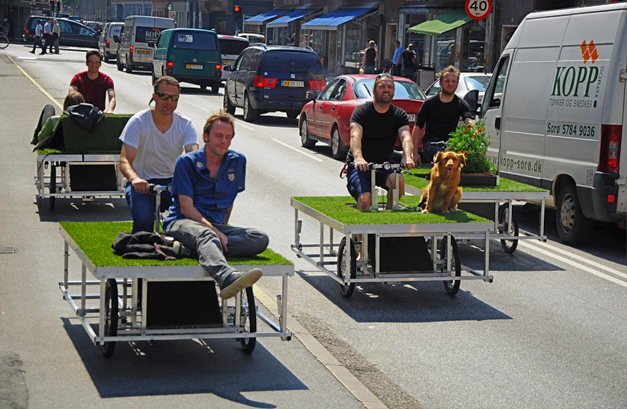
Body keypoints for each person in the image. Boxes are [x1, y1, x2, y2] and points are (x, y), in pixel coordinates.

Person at [163, 111, 269, 300]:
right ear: (206, 136)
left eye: (228, 137)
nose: (223, 141)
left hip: (214, 225)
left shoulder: (237, 161)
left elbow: (229, 201)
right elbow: (186, 208)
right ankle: (226, 277)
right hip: (181, 222)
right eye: (219, 136)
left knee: (259, 238)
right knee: (207, 235)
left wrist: (222, 230)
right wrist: (214, 232)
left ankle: (192, 250)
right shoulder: (186, 162)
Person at [119, 76, 199, 233]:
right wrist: (135, 179)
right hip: (142, 183)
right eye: (164, 96)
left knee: (189, 220)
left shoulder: (185, 124)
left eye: (174, 98)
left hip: (173, 183)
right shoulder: (138, 122)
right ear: (154, 96)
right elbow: (124, 161)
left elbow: (193, 155)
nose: (169, 101)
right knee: (144, 221)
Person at [346, 72, 415, 211]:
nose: (386, 89)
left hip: (384, 166)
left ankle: (386, 224)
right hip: (361, 166)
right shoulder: (362, 111)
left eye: (389, 87)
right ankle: (360, 232)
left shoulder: (398, 114)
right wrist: (358, 157)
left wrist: (407, 156)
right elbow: (355, 136)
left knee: (398, 182)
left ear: (393, 92)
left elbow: (406, 136)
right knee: (366, 199)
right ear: (374, 91)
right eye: (382, 86)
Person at [412, 66, 474, 163]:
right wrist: (415, 153)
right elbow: (417, 127)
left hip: (451, 144)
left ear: (457, 84)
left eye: (453, 81)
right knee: (444, 157)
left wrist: (473, 129)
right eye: (447, 81)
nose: (450, 84)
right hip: (431, 144)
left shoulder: (461, 103)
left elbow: (468, 118)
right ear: (440, 83)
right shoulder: (429, 103)